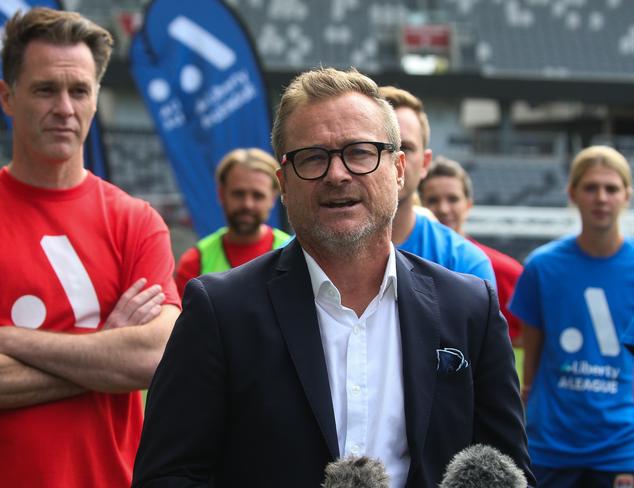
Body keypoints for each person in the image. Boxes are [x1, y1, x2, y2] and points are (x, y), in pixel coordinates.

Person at [132, 67, 533, 488]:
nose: (337, 174)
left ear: (399, 170)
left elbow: (511, 472)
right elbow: (168, 476)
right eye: (313, 157)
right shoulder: (220, 311)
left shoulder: (470, 308)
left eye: (360, 152)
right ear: (283, 184)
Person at [0, 8, 180, 488]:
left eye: (80, 91)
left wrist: (10, 342)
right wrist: (105, 356)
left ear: (95, 98)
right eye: (45, 89)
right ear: (7, 97)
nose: (65, 109)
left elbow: (157, 358)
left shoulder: (137, 222)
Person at [510, 145, 634, 487]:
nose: (601, 198)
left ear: (627, 195)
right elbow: (530, 367)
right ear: (572, 194)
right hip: (551, 445)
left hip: (621, 448)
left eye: (611, 188)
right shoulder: (542, 266)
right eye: (591, 187)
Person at [378, 86, 495, 285]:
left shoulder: (464, 264)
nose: (394, 159)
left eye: (405, 147)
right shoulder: (317, 252)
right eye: (379, 146)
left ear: (425, 163)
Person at [419, 156, 524, 344]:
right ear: (420, 206)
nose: (443, 209)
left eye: (453, 199)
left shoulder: (503, 270)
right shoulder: (401, 261)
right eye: (433, 200)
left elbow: (529, 334)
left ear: (468, 205)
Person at [174, 147, 289, 295]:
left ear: (273, 198)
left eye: (258, 195)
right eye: (238, 194)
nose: (247, 204)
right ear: (221, 194)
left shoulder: (295, 254)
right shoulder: (195, 262)